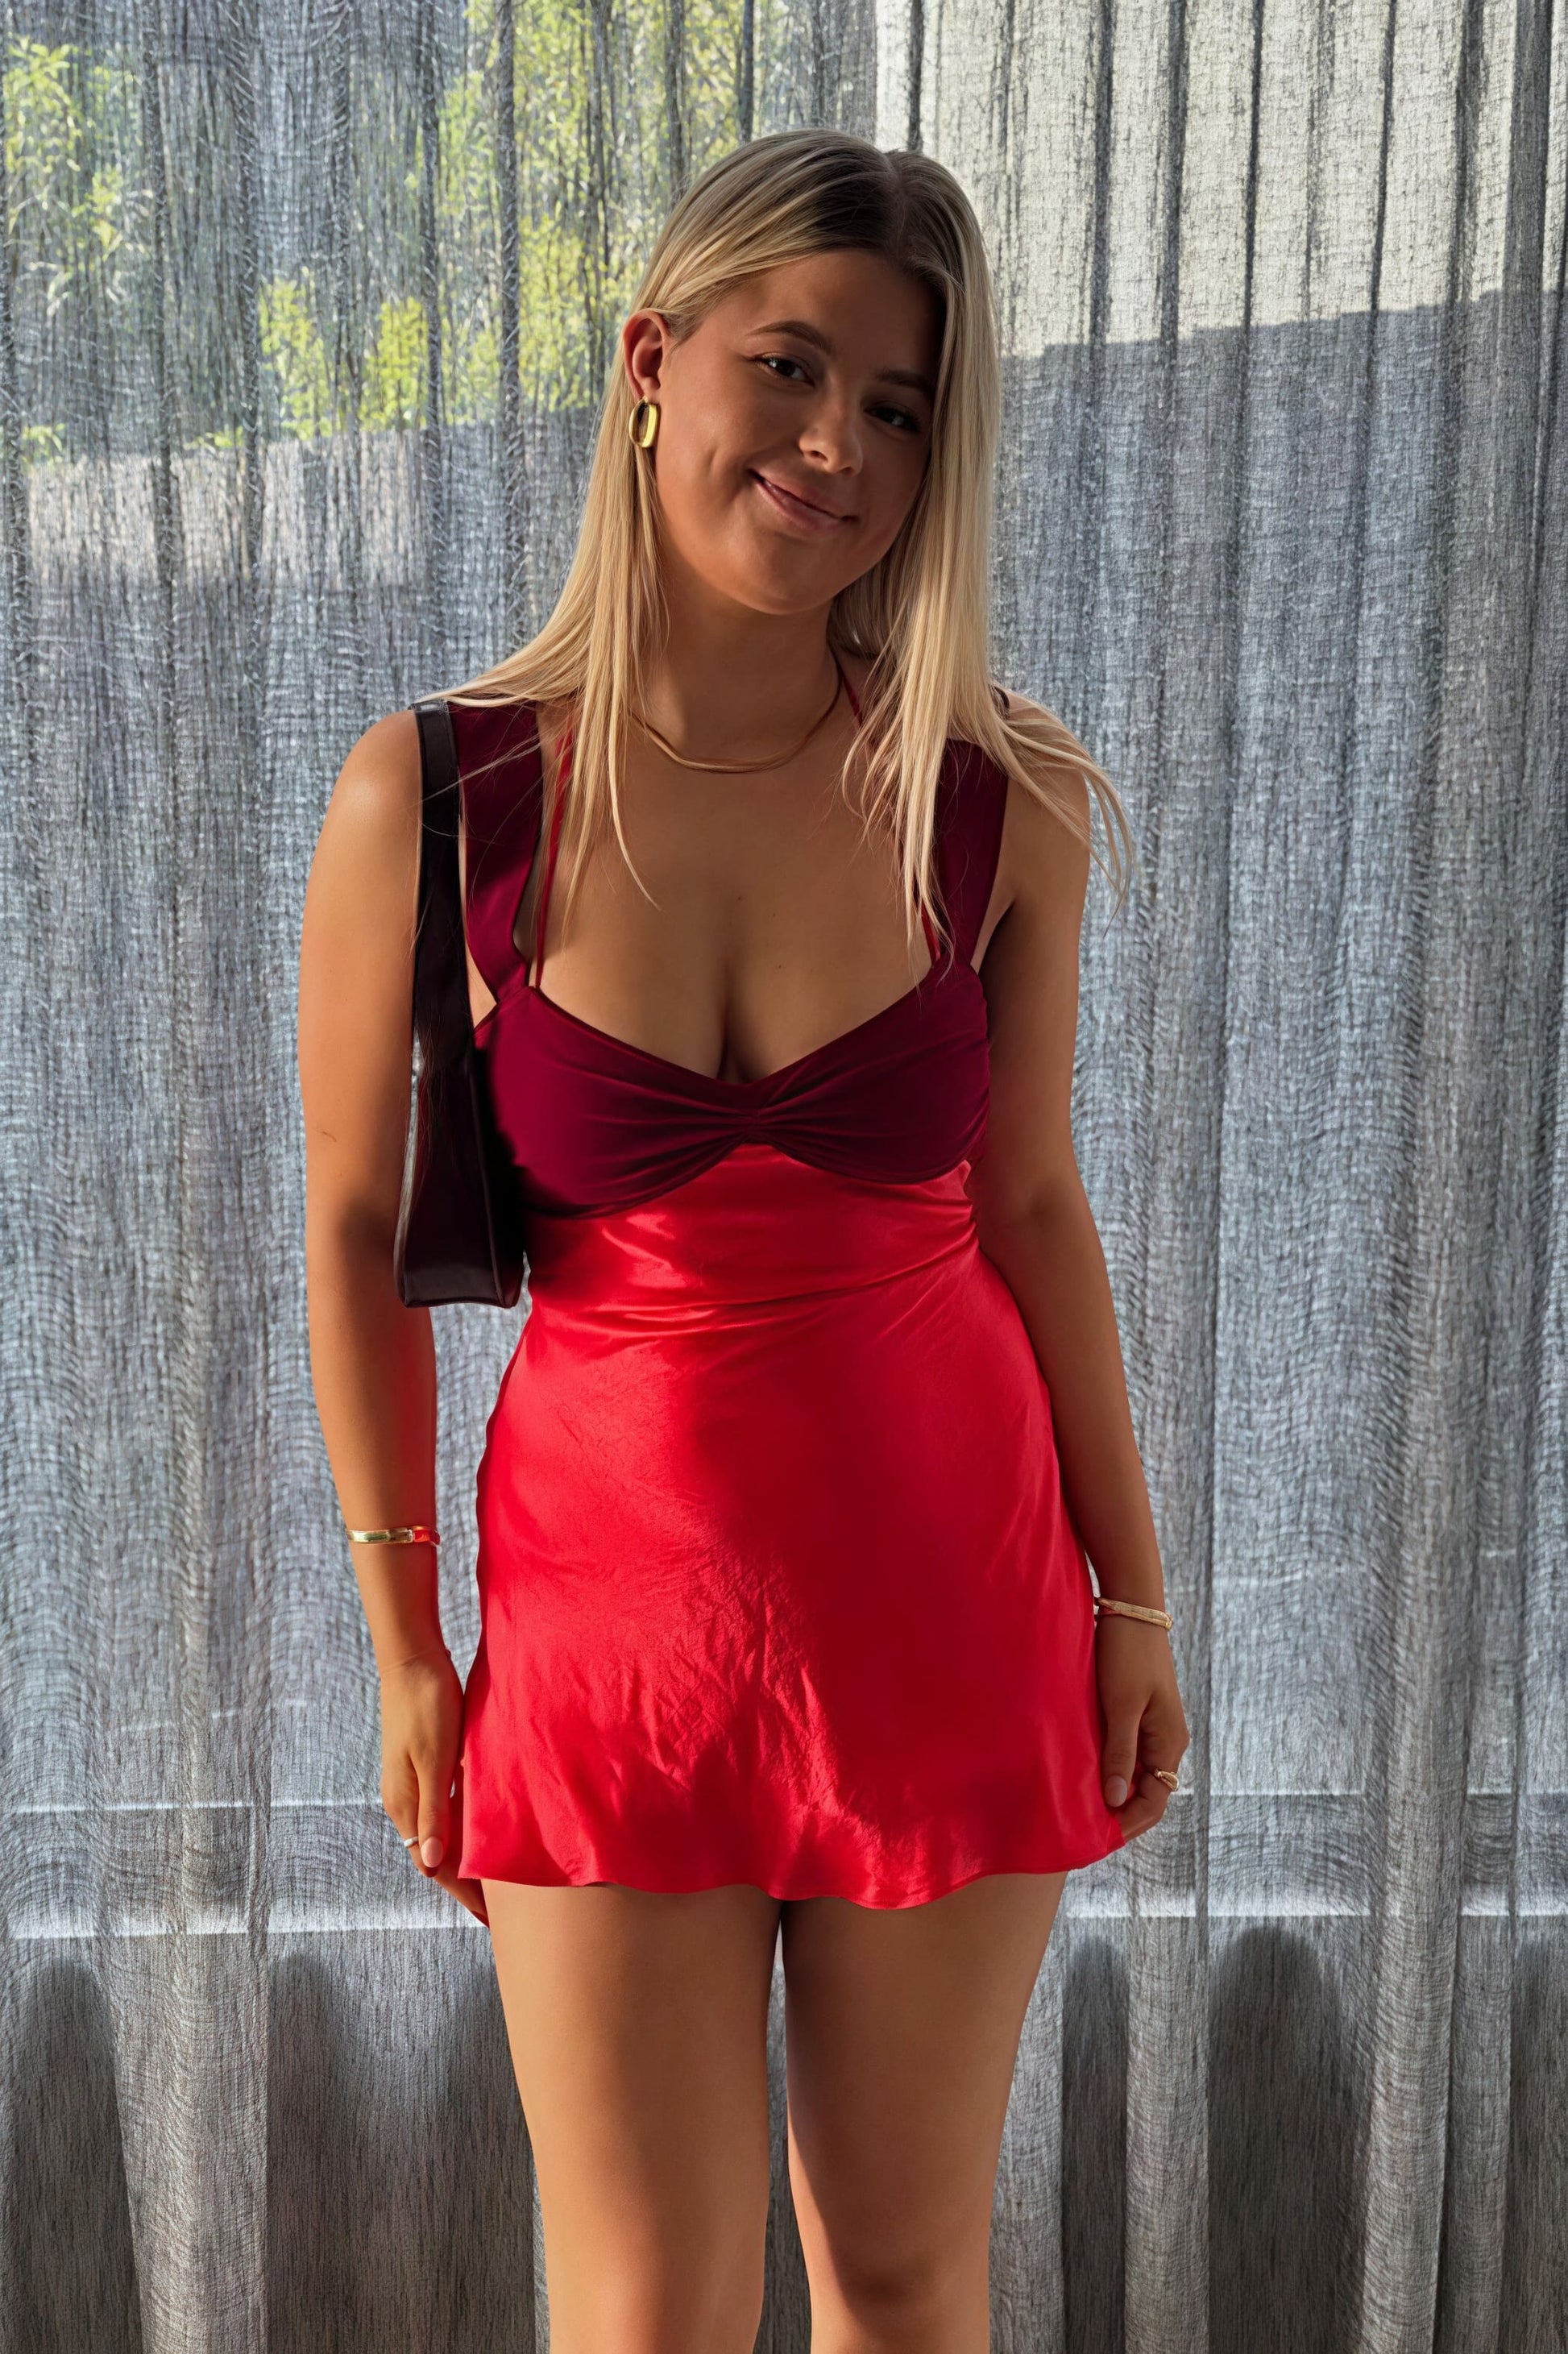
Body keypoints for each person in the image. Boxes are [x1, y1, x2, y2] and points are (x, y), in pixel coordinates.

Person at [299, 127, 1188, 2354]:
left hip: (952, 1600)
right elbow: (349, 1228)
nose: (836, 447)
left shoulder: (1001, 795)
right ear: (649, 363)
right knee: (646, 2311)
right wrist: (405, 1648)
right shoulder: (436, 796)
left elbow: (1034, 1204)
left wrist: (1135, 1591)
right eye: (788, 368)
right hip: (608, 1635)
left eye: (897, 406)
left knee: (902, 2278)